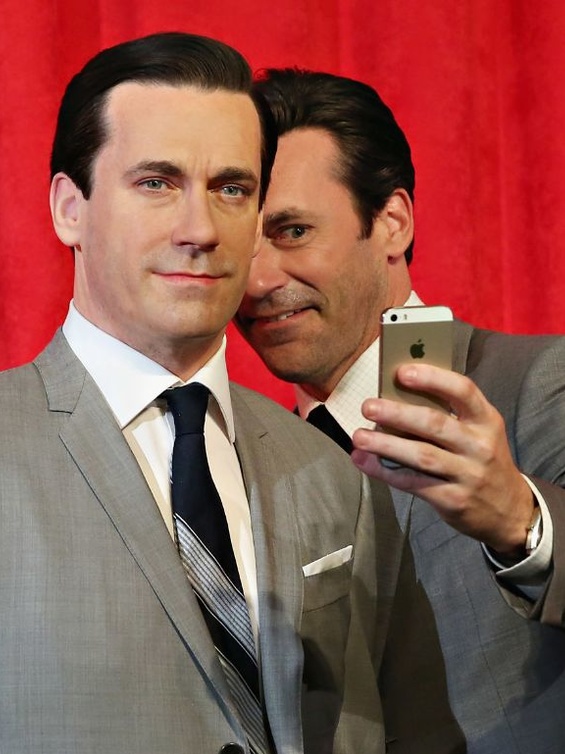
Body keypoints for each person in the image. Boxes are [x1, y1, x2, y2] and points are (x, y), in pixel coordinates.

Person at [0, 36, 390, 754]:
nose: (201, 230)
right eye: (156, 183)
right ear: (69, 208)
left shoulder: (332, 474)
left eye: (231, 189)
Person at [236, 67, 565, 753]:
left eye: (292, 231)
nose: (259, 280)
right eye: (242, 246)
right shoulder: (243, 467)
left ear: (391, 222)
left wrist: (521, 522)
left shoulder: (540, 380)